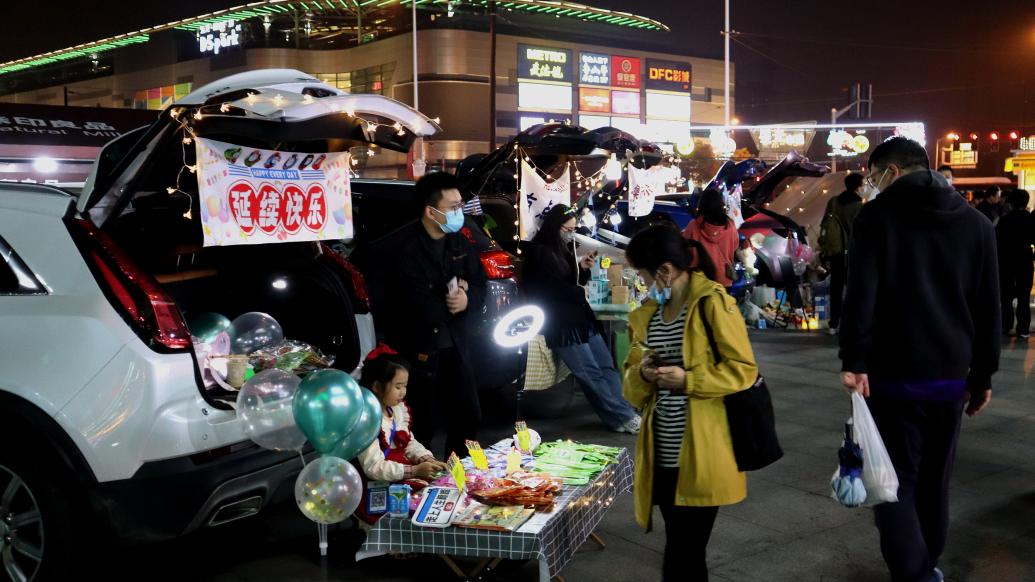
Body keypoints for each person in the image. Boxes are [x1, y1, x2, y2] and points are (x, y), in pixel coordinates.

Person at [840, 137, 1000, 582]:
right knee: (934, 480)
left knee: (894, 484)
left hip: (891, 376)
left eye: (873, 176)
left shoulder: (876, 218)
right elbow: (990, 306)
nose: (870, 185)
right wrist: (983, 373)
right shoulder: (977, 224)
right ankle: (926, 565)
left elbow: (860, 297)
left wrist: (853, 359)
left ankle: (915, 573)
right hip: (951, 377)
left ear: (891, 172)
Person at [623, 226, 758, 582]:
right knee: (681, 548)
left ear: (664, 271)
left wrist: (690, 381)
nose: (642, 281)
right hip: (661, 451)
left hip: (704, 451)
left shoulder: (713, 302)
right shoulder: (650, 312)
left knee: (684, 551)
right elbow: (632, 381)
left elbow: (743, 370)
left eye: (643, 273)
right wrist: (646, 375)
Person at [362, 172, 487, 459]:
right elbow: (411, 304)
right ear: (431, 211)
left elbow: (479, 282)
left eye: (461, 205)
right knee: (421, 423)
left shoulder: (459, 243)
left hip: (455, 344)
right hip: (416, 351)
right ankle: (423, 482)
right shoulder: (400, 250)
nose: (460, 212)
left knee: (468, 414)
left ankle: (461, 477)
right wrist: (450, 298)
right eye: (453, 207)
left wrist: (467, 298)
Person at [522, 204, 641, 433]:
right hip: (561, 324)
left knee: (606, 366)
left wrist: (583, 268)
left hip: (580, 318)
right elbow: (547, 289)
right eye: (567, 229)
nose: (570, 234)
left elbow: (569, 278)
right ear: (556, 226)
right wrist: (579, 291)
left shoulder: (562, 248)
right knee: (590, 373)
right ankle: (622, 416)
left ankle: (621, 413)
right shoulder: (540, 252)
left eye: (573, 229)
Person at [355, 346, 449, 523]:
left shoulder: (396, 410)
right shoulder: (366, 421)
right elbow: (373, 467)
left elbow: (409, 442)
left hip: (400, 479)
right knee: (418, 508)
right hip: (379, 487)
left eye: (405, 386)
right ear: (376, 386)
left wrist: (426, 459)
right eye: (398, 386)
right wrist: (413, 470)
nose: (403, 392)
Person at [818, 172, 865, 335]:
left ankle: (833, 324)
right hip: (853, 253)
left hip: (836, 251)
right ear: (858, 186)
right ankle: (852, 324)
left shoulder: (834, 202)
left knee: (835, 288)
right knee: (854, 290)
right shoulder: (860, 206)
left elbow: (825, 224)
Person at [996, 189, 1034, 339]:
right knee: (1024, 296)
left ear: (1010, 203)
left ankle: (1006, 325)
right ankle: (1023, 329)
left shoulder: (1004, 220)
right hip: (1025, 261)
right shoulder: (1030, 220)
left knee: (1006, 296)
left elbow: (997, 241)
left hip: (1006, 262)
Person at [682, 189, 739, 288]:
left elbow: (683, 248)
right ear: (720, 204)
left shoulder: (693, 225)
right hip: (724, 279)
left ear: (702, 205)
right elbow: (735, 247)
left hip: (701, 280)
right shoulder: (730, 226)